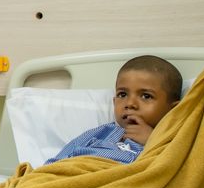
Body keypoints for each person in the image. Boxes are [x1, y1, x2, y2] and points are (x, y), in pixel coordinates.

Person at [45, 55, 182, 165]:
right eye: (122, 94)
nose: (130, 103)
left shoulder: (172, 142)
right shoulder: (99, 134)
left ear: (173, 110)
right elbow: (53, 166)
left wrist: (152, 141)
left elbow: (175, 177)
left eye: (146, 96)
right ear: (114, 101)